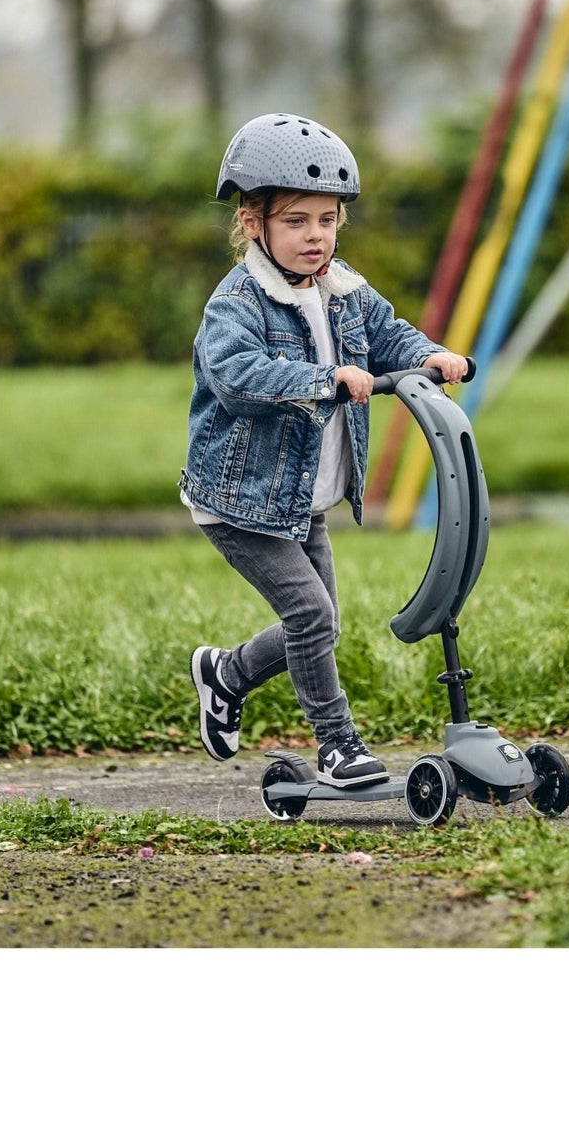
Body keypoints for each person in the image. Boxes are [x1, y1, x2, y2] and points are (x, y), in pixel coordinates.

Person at [180, 113, 467, 787]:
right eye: (297, 221)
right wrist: (324, 379)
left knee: (319, 623)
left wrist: (429, 355)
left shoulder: (342, 292)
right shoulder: (238, 304)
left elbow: (389, 333)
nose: (316, 237)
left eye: (328, 220)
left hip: (301, 498)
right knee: (310, 615)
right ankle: (337, 745)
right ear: (253, 222)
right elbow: (235, 374)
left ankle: (226, 673)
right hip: (239, 502)